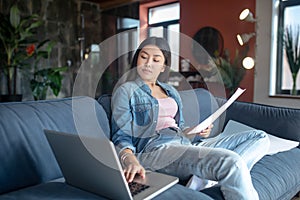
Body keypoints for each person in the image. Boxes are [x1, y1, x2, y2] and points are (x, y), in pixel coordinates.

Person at [111, 36, 269, 200]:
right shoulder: (126, 90)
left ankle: (202, 177)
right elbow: (121, 135)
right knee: (232, 162)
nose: (148, 63)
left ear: (163, 67)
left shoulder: (170, 90)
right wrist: (129, 159)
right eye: (143, 57)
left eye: (156, 59)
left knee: (260, 137)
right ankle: (208, 173)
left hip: (184, 142)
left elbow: (180, 127)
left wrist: (196, 132)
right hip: (155, 149)